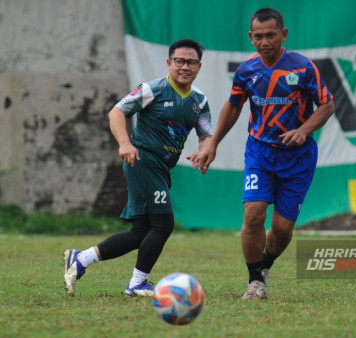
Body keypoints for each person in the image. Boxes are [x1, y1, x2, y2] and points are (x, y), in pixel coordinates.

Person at [190, 8, 335, 299]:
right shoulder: (246, 71)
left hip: (298, 158)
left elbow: (327, 105)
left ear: (283, 34)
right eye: (259, 36)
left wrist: (303, 130)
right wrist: (212, 142)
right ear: (250, 37)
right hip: (260, 153)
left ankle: (265, 264)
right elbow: (233, 106)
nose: (265, 41)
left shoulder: (303, 67)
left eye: (271, 35)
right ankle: (255, 282)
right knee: (254, 215)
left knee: (281, 229)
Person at [63, 39, 213, 297]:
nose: (184, 66)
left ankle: (81, 259)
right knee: (163, 225)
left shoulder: (199, 100)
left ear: (199, 66)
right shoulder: (152, 89)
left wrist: (206, 149)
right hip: (142, 161)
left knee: (141, 232)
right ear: (169, 63)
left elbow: (206, 134)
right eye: (179, 61)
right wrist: (125, 143)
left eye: (191, 62)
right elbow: (117, 113)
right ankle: (137, 284)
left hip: (162, 168)